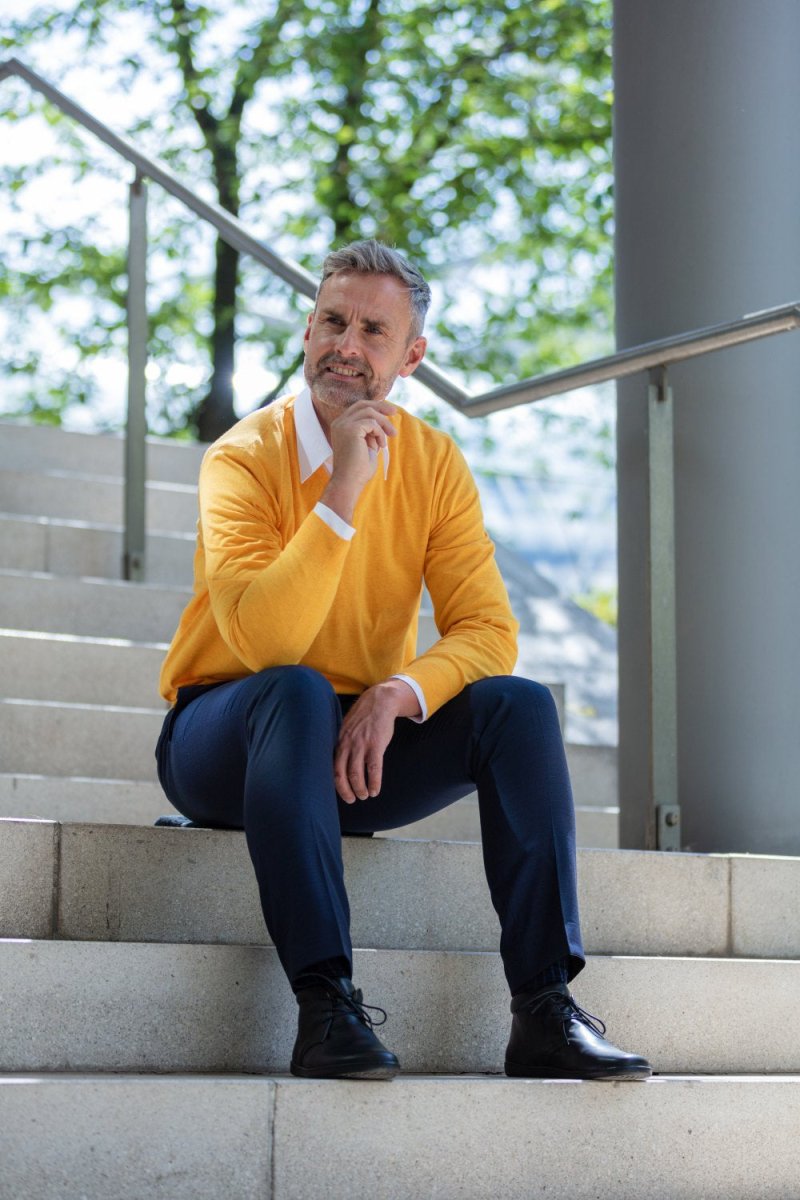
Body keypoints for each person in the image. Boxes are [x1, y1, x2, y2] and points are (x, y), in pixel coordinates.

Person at [155, 239, 651, 1082]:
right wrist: (343, 487)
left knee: (520, 706)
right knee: (296, 689)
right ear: (307, 330)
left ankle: (543, 1010)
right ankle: (326, 1007)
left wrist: (400, 692)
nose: (346, 344)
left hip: (352, 753)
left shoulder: (433, 463)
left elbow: (488, 631)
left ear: (411, 355)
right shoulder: (243, 457)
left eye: (373, 331)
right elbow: (270, 646)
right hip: (227, 739)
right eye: (331, 321)